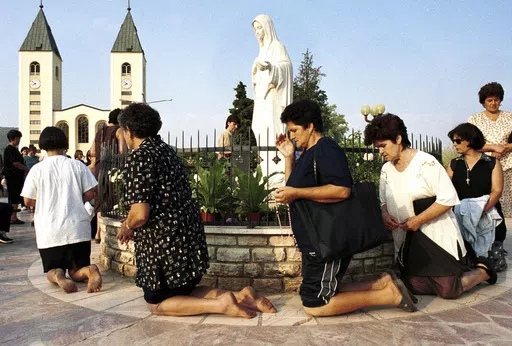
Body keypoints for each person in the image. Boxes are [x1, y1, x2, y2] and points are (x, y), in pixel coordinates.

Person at [115, 103, 276, 317]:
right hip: (186, 236)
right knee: (186, 289)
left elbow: (141, 213)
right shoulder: (167, 152)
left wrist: (127, 225)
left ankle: (222, 305)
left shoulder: (140, 156)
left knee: (157, 303)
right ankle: (241, 296)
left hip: (163, 242)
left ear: (129, 130)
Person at [273, 100, 417, 316]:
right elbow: (291, 189)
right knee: (312, 291)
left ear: (310, 126)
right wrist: (289, 158)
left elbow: (342, 190)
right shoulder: (306, 154)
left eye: (294, 130)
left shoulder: (326, 149)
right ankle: (381, 284)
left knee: (315, 304)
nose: (292, 135)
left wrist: (297, 193)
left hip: (327, 239)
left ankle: (390, 296)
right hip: (315, 240)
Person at [364, 113, 497, 300]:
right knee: (414, 286)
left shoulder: (426, 163)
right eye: (377, 147)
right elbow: (383, 200)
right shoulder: (386, 169)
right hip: (407, 237)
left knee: (448, 290)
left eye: (383, 146)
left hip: (434, 234)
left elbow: (448, 198)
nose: (380, 152)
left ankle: (483, 270)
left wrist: (418, 220)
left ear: (399, 139)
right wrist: (385, 215)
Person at [21, 127, 102, 293]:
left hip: (50, 230)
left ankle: (58, 276)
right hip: (77, 227)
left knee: (53, 269)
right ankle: (90, 271)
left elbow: (28, 200)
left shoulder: (37, 169)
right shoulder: (77, 165)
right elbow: (91, 192)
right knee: (76, 270)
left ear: (43, 145)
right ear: (65, 144)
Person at [447, 123, 507, 270]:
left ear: (470, 140)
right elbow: (447, 190)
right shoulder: (454, 164)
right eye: (453, 141)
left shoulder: (492, 163)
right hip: (462, 215)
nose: (455, 144)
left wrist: (481, 210)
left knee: (493, 265)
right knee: (468, 264)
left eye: (458, 141)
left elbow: (497, 191)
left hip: (487, 211)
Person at [468, 82, 512, 265]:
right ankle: (491, 245)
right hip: (485, 168)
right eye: (489, 100)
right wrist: (492, 147)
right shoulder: (475, 120)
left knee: (507, 209)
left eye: (497, 100)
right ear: (483, 102)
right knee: (491, 208)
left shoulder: (510, 117)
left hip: (508, 166)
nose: (493, 103)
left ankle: (499, 245)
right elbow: (469, 142)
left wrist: (506, 148)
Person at [251, 14, 293, 185]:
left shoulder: (277, 46)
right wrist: (255, 69)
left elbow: (287, 67)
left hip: (273, 98)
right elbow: (255, 77)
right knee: (260, 128)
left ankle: (277, 170)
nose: (257, 32)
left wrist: (271, 67)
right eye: (255, 29)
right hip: (261, 99)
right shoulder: (261, 51)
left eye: (259, 27)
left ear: (267, 28)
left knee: (273, 128)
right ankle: (265, 168)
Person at [89, 108, 126, 243]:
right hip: (113, 169)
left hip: (100, 168)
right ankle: (102, 233)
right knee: (113, 198)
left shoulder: (100, 131)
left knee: (100, 200)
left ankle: (98, 232)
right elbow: (122, 151)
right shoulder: (119, 131)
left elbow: (92, 150)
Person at [3, 130, 29, 227]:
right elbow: (15, 163)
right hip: (12, 177)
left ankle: (13, 216)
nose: (18, 140)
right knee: (14, 197)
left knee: (16, 197)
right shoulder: (10, 149)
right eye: (17, 138)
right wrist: (27, 169)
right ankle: (12, 218)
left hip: (17, 177)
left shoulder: (14, 149)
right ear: (11, 139)